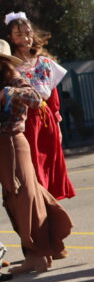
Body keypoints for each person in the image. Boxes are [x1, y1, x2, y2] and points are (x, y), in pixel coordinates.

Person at [0, 52, 73, 275]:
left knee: (24, 197)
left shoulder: (13, 80)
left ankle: (38, 255)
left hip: (12, 143)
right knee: (16, 199)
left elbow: (35, 98)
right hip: (4, 146)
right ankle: (41, 252)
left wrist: (7, 92)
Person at [5, 13, 75, 201]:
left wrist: (58, 126)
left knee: (50, 162)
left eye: (28, 33)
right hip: (24, 121)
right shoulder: (9, 66)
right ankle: (38, 202)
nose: (25, 38)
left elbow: (53, 99)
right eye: (19, 34)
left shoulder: (44, 63)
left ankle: (51, 203)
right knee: (32, 165)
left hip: (46, 120)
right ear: (10, 37)